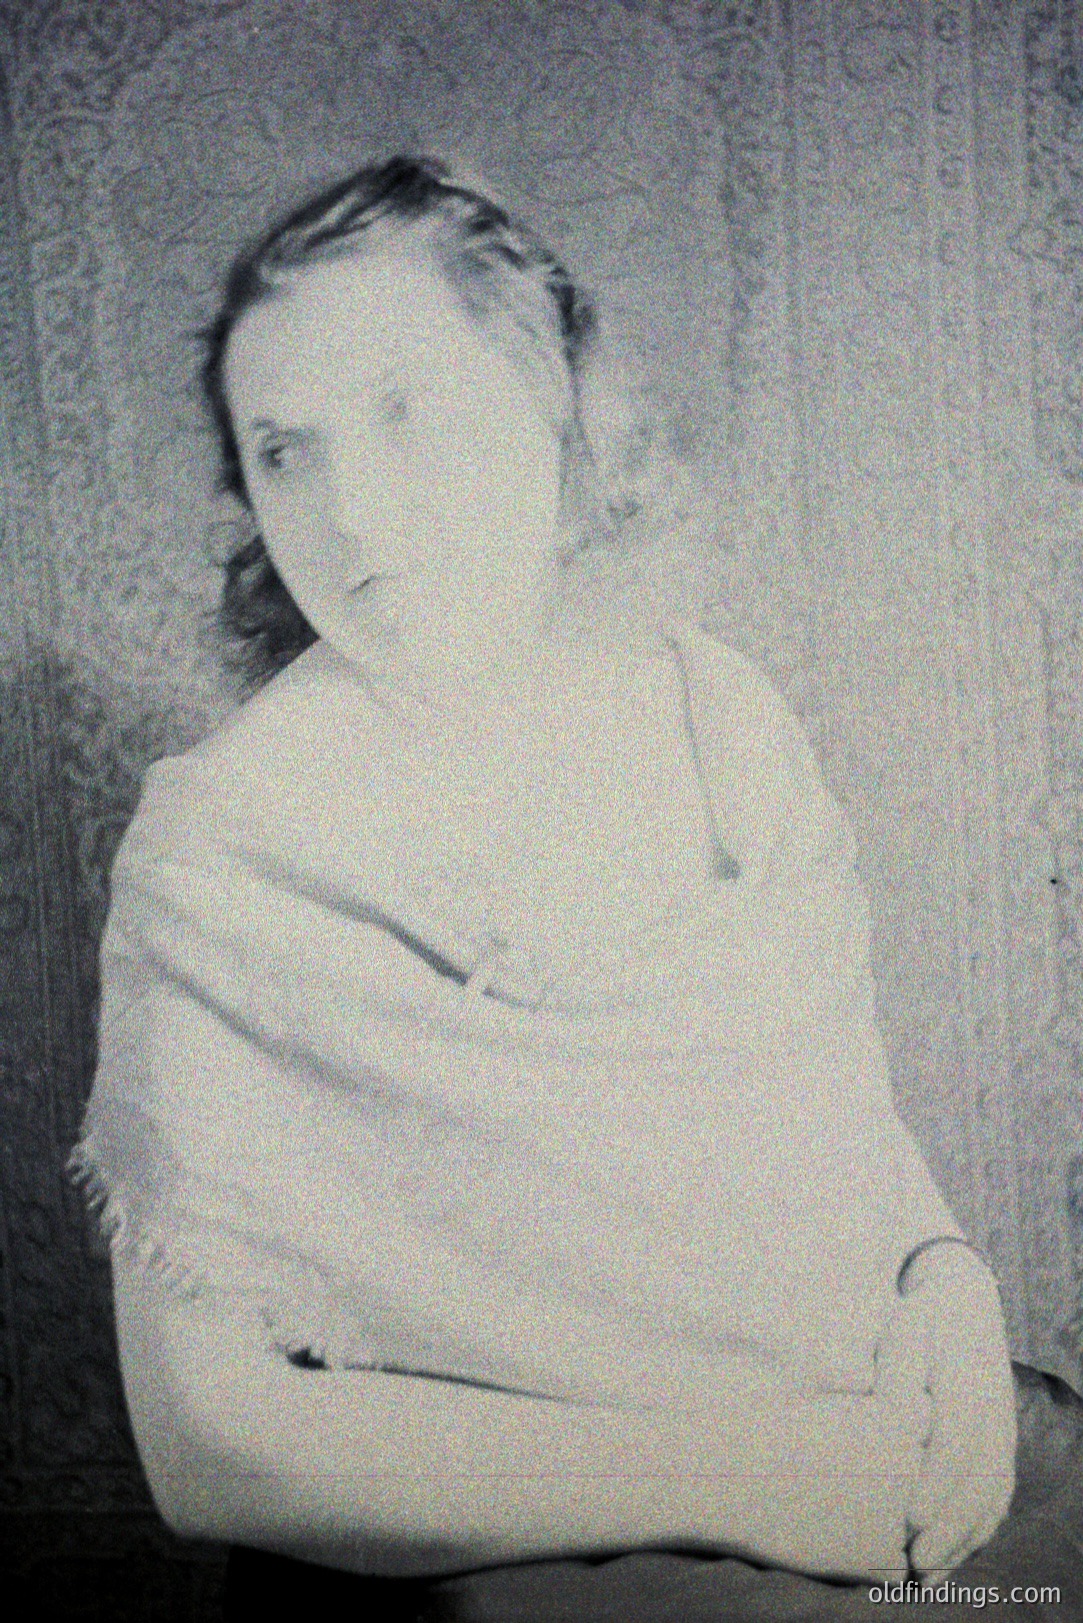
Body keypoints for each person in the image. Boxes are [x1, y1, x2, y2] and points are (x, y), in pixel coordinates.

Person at [72, 156, 1017, 1597]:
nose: (350, 513)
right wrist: (749, 1485)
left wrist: (945, 1283)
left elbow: (847, 1144)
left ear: (547, 395)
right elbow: (212, 1444)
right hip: (489, 1556)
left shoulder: (721, 721)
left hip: (836, 1445)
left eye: (405, 415)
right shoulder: (222, 854)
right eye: (285, 452)